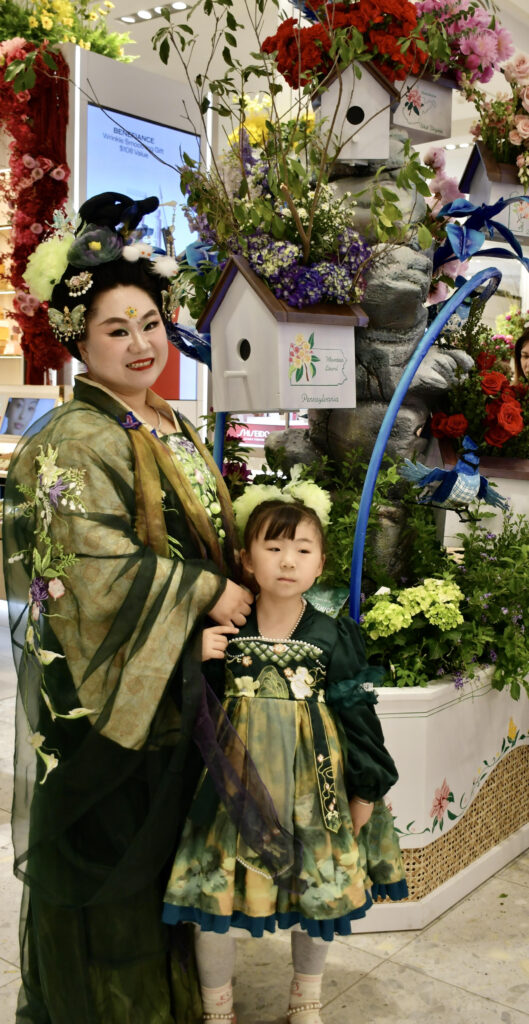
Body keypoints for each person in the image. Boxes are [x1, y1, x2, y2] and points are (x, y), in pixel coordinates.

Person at [3, 191, 253, 1024]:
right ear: (79, 341)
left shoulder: (162, 419)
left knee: (163, 863)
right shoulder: (74, 438)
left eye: (150, 322)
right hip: (108, 695)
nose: (142, 344)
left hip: (171, 679)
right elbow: (86, 570)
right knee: (111, 866)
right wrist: (206, 589)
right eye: (117, 330)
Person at [163, 492, 407, 1024]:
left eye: (302, 549)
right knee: (212, 899)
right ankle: (217, 1009)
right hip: (231, 794)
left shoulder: (332, 634)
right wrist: (190, 658)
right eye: (273, 548)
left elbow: (358, 715)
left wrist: (366, 788)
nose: (288, 561)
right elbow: (191, 711)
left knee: (316, 899)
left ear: (321, 564)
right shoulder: (224, 631)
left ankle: (306, 1001)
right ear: (247, 560)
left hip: (314, 794)